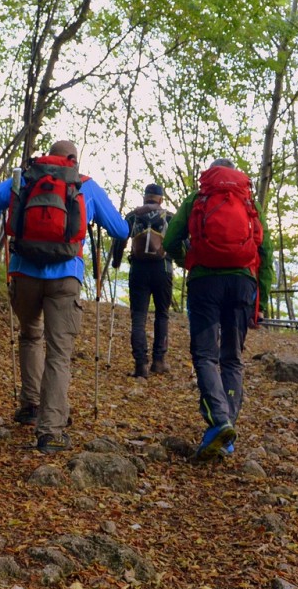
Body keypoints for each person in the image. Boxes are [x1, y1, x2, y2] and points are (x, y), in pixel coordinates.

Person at [0, 140, 128, 453]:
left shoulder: (24, 179)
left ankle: (30, 405)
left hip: (24, 274)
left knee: (31, 336)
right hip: (66, 276)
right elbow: (121, 230)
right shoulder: (86, 186)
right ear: (72, 159)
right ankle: (51, 431)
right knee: (59, 353)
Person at [162, 159, 274, 460]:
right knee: (232, 359)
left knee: (206, 355)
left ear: (210, 174)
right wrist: (261, 301)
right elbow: (265, 250)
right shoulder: (248, 200)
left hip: (204, 283)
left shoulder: (198, 198)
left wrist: (189, 257)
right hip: (242, 284)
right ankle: (226, 431)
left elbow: (170, 239)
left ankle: (220, 421)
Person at [110, 183, 175, 378]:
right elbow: (180, 241)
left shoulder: (133, 215)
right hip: (163, 269)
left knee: (139, 317)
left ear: (145, 197)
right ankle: (159, 361)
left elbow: (120, 238)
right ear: (160, 199)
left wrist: (116, 261)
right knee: (162, 315)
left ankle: (140, 365)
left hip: (138, 269)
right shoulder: (169, 217)